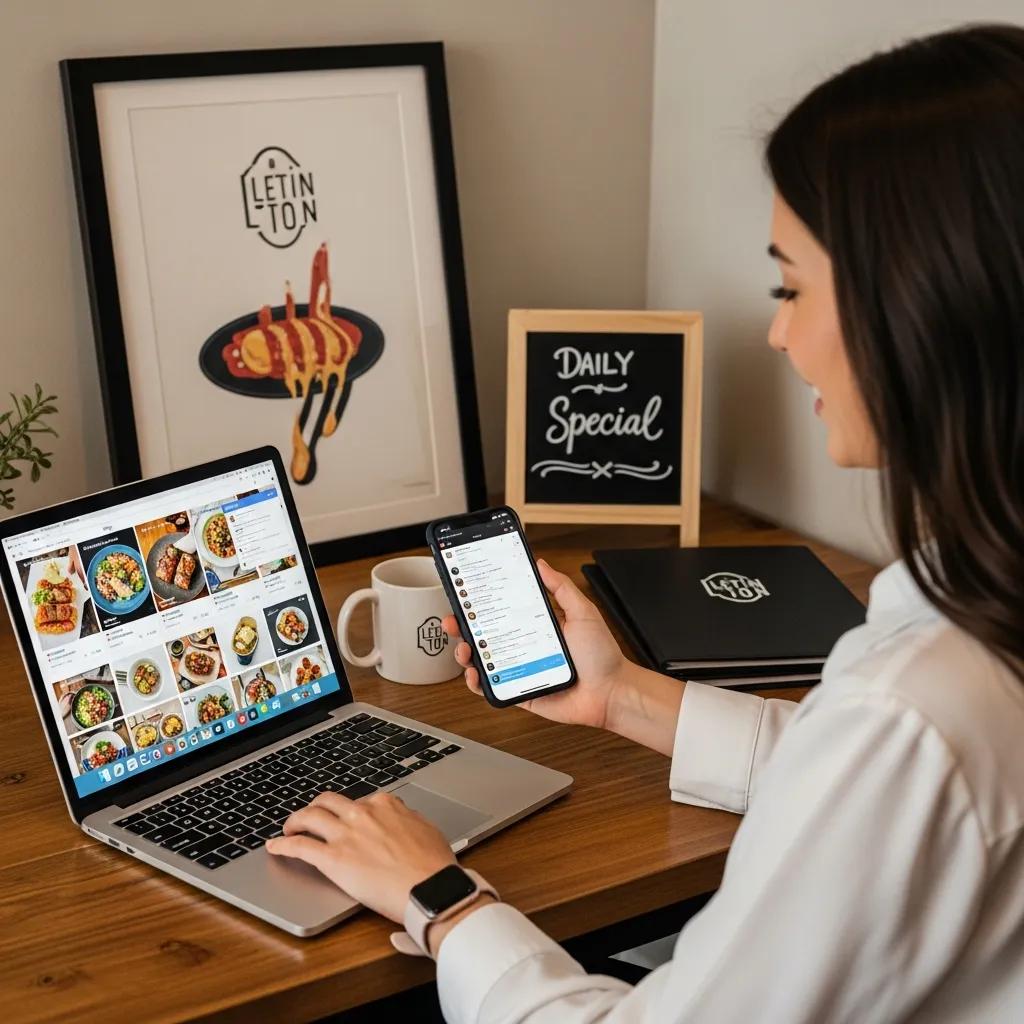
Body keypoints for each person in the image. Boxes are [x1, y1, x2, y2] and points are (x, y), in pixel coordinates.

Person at [267, 22, 1024, 1021]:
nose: (777, 329)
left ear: (921, 305)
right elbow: (866, 793)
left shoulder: (913, 707)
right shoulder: (958, 646)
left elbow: (883, 766)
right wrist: (621, 697)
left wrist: (438, 895)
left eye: (791, 285)